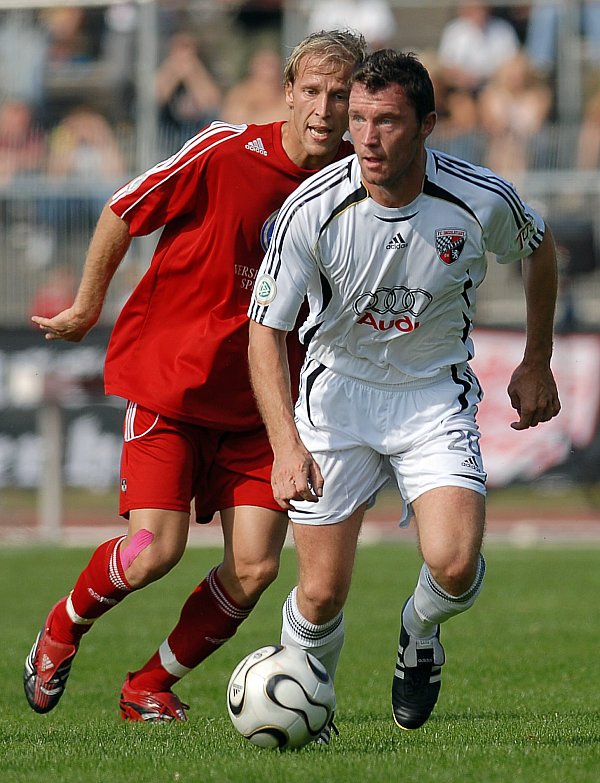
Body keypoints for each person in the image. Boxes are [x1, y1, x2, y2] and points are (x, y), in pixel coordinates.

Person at [23, 29, 367, 729]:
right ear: (287, 92)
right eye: (311, 91)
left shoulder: (354, 186)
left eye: (340, 95)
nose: (324, 108)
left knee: (256, 567)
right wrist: (87, 306)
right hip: (172, 387)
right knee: (152, 549)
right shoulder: (224, 150)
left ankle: (147, 685)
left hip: (262, 406)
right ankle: (62, 625)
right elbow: (122, 209)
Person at [247, 49, 561, 734]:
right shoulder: (312, 208)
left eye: (386, 121)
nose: (365, 137)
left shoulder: (479, 199)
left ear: (427, 125)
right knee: (320, 593)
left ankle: (419, 633)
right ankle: (309, 696)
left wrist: (536, 360)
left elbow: (538, 247)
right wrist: (285, 446)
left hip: (431, 397)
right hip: (338, 399)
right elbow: (264, 331)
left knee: (454, 563)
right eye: (358, 119)